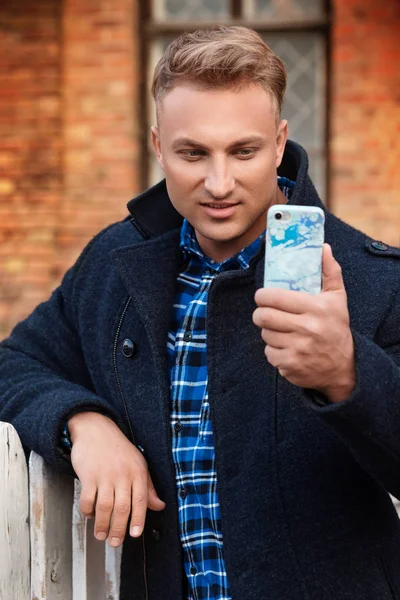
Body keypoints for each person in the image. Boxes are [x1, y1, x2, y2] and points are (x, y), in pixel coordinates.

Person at [1, 25, 400, 600]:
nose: (219, 184)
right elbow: (16, 363)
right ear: (159, 145)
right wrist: (82, 424)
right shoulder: (112, 267)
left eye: (244, 151)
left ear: (281, 142)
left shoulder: (376, 279)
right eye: (193, 153)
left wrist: (347, 371)